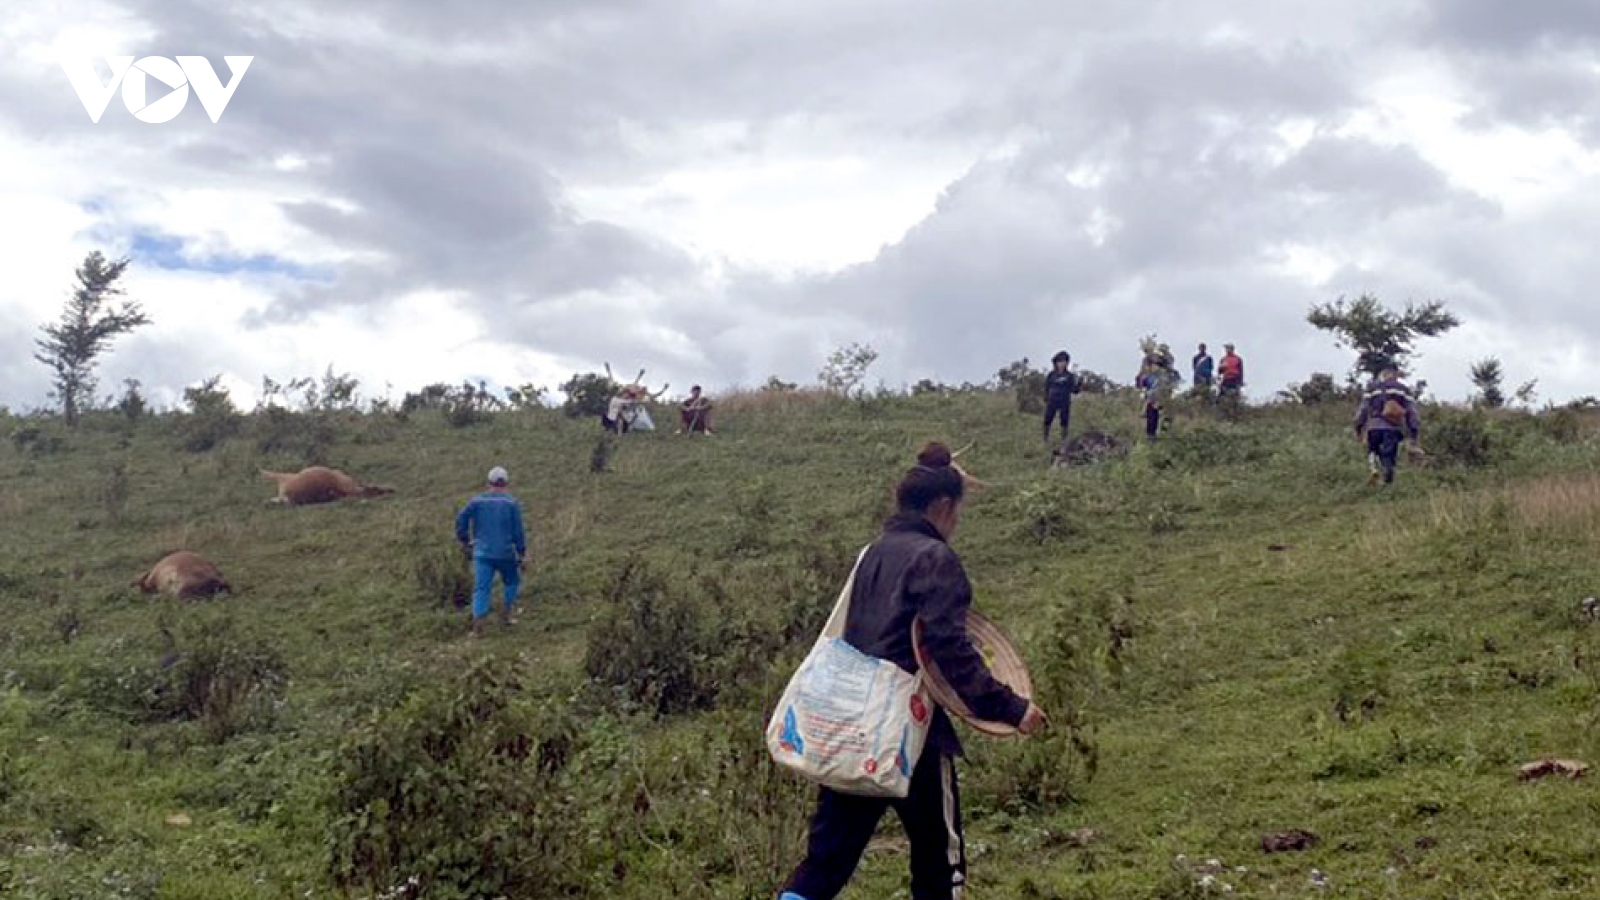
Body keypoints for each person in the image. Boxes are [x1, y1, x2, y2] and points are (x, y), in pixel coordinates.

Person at [777, 443, 1047, 900]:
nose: (957, 521)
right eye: (958, 510)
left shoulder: (872, 554)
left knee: (825, 862)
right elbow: (949, 652)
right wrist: (1012, 708)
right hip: (913, 733)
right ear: (943, 506)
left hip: (853, 729)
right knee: (939, 861)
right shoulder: (935, 559)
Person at [454, 466, 527, 636]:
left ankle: (478, 625)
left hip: (482, 553)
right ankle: (506, 614)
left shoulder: (477, 501)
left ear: (489, 482)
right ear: (506, 483)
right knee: (511, 582)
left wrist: (465, 540)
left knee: (481, 588)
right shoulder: (511, 503)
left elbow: (461, 520)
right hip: (506, 552)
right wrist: (522, 552)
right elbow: (518, 532)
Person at [1353, 367, 1421, 485]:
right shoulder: (1403, 389)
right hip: (1393, 428)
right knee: (1389, 456)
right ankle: (1387, 481)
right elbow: (1412, 412)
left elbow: (1363, 409)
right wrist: (1413, 432)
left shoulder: (1372, 388)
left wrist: (1358, 426)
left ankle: (1374, 468)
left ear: (1382, 375)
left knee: (1372, 450)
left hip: (1373, 426)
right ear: (1395, 376)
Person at [1042, 351, 1080, 445]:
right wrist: (1046, 397)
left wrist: (1079, 384)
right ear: (1056, 363)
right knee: (1048, 419)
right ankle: (1045, 438)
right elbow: (1047, 387)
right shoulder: (1051, 375)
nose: (1062, 364)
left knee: (1064, 420)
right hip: (1052, 400)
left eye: (1064, 362)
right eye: (1060, 361)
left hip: (1064, 401)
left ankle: (1064, 439)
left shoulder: (1069, 376)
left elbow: (1074, 391)